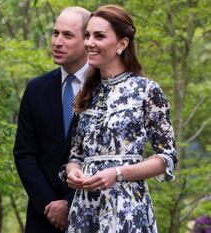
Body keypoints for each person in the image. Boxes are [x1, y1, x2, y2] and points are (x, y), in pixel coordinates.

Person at [61, 4, 178, 233]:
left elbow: (167, 158)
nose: (89, 43)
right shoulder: (86, 93)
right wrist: (73, 171)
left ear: (122, 44)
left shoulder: (147, 91)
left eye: (99, 36)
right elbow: (75, 155)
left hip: (126, 209)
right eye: (87, 35)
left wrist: (118, 173)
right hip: (84, 211)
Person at [13, 6, 91, 233]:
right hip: (42, 217)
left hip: (91, 213)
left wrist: (70, 203)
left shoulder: (105, 91)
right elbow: (24, 153)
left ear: (87, 40)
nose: (57, 41)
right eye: (55, 33)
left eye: (67, 35)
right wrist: (49, 203)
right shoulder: (36, 89)